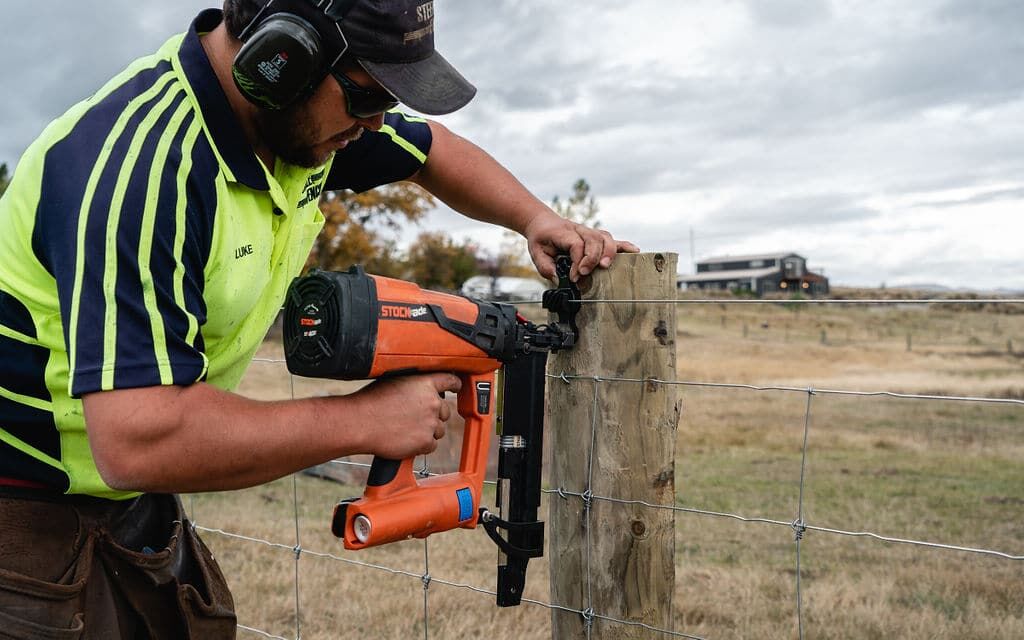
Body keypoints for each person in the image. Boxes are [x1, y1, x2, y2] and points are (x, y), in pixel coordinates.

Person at [0, 0, 638, 637]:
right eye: (366, 97)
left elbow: (429, 148)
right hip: (22, 505)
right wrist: (364, 420)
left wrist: (536, 220)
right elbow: (137, 438)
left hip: (128, 504)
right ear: (278, 59)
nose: (378, 122)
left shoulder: (299, 127)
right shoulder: (144, 169)